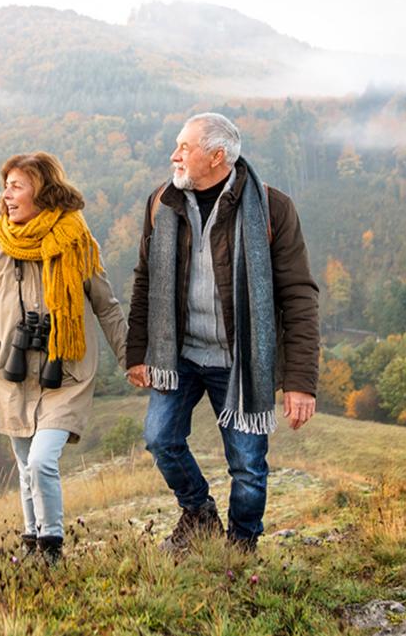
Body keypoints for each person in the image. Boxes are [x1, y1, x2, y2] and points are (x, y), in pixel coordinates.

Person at [126, 112, 319, 553]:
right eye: (177, 145)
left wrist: (300, 382)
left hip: (240, 360)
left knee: (248, 466)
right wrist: (138, 352)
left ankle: (241, 547)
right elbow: (145, 279)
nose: (174, 156)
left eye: (185, 148)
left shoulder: (272, 209)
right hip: (181, 354)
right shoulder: (162, 202)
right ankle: (198, 513)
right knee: (160, 439)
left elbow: (299, 297)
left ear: (217, 157)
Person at [0, 152, 127, 564]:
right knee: (24, 466)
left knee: (40, 461)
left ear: (42, 191)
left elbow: (106, 306)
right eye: (6, 186)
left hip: (66, 372)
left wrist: (131, 360)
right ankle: (32, 541)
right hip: (12, 374)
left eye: (16, 186)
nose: (6, 196)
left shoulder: (77, 245)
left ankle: (51, 548)